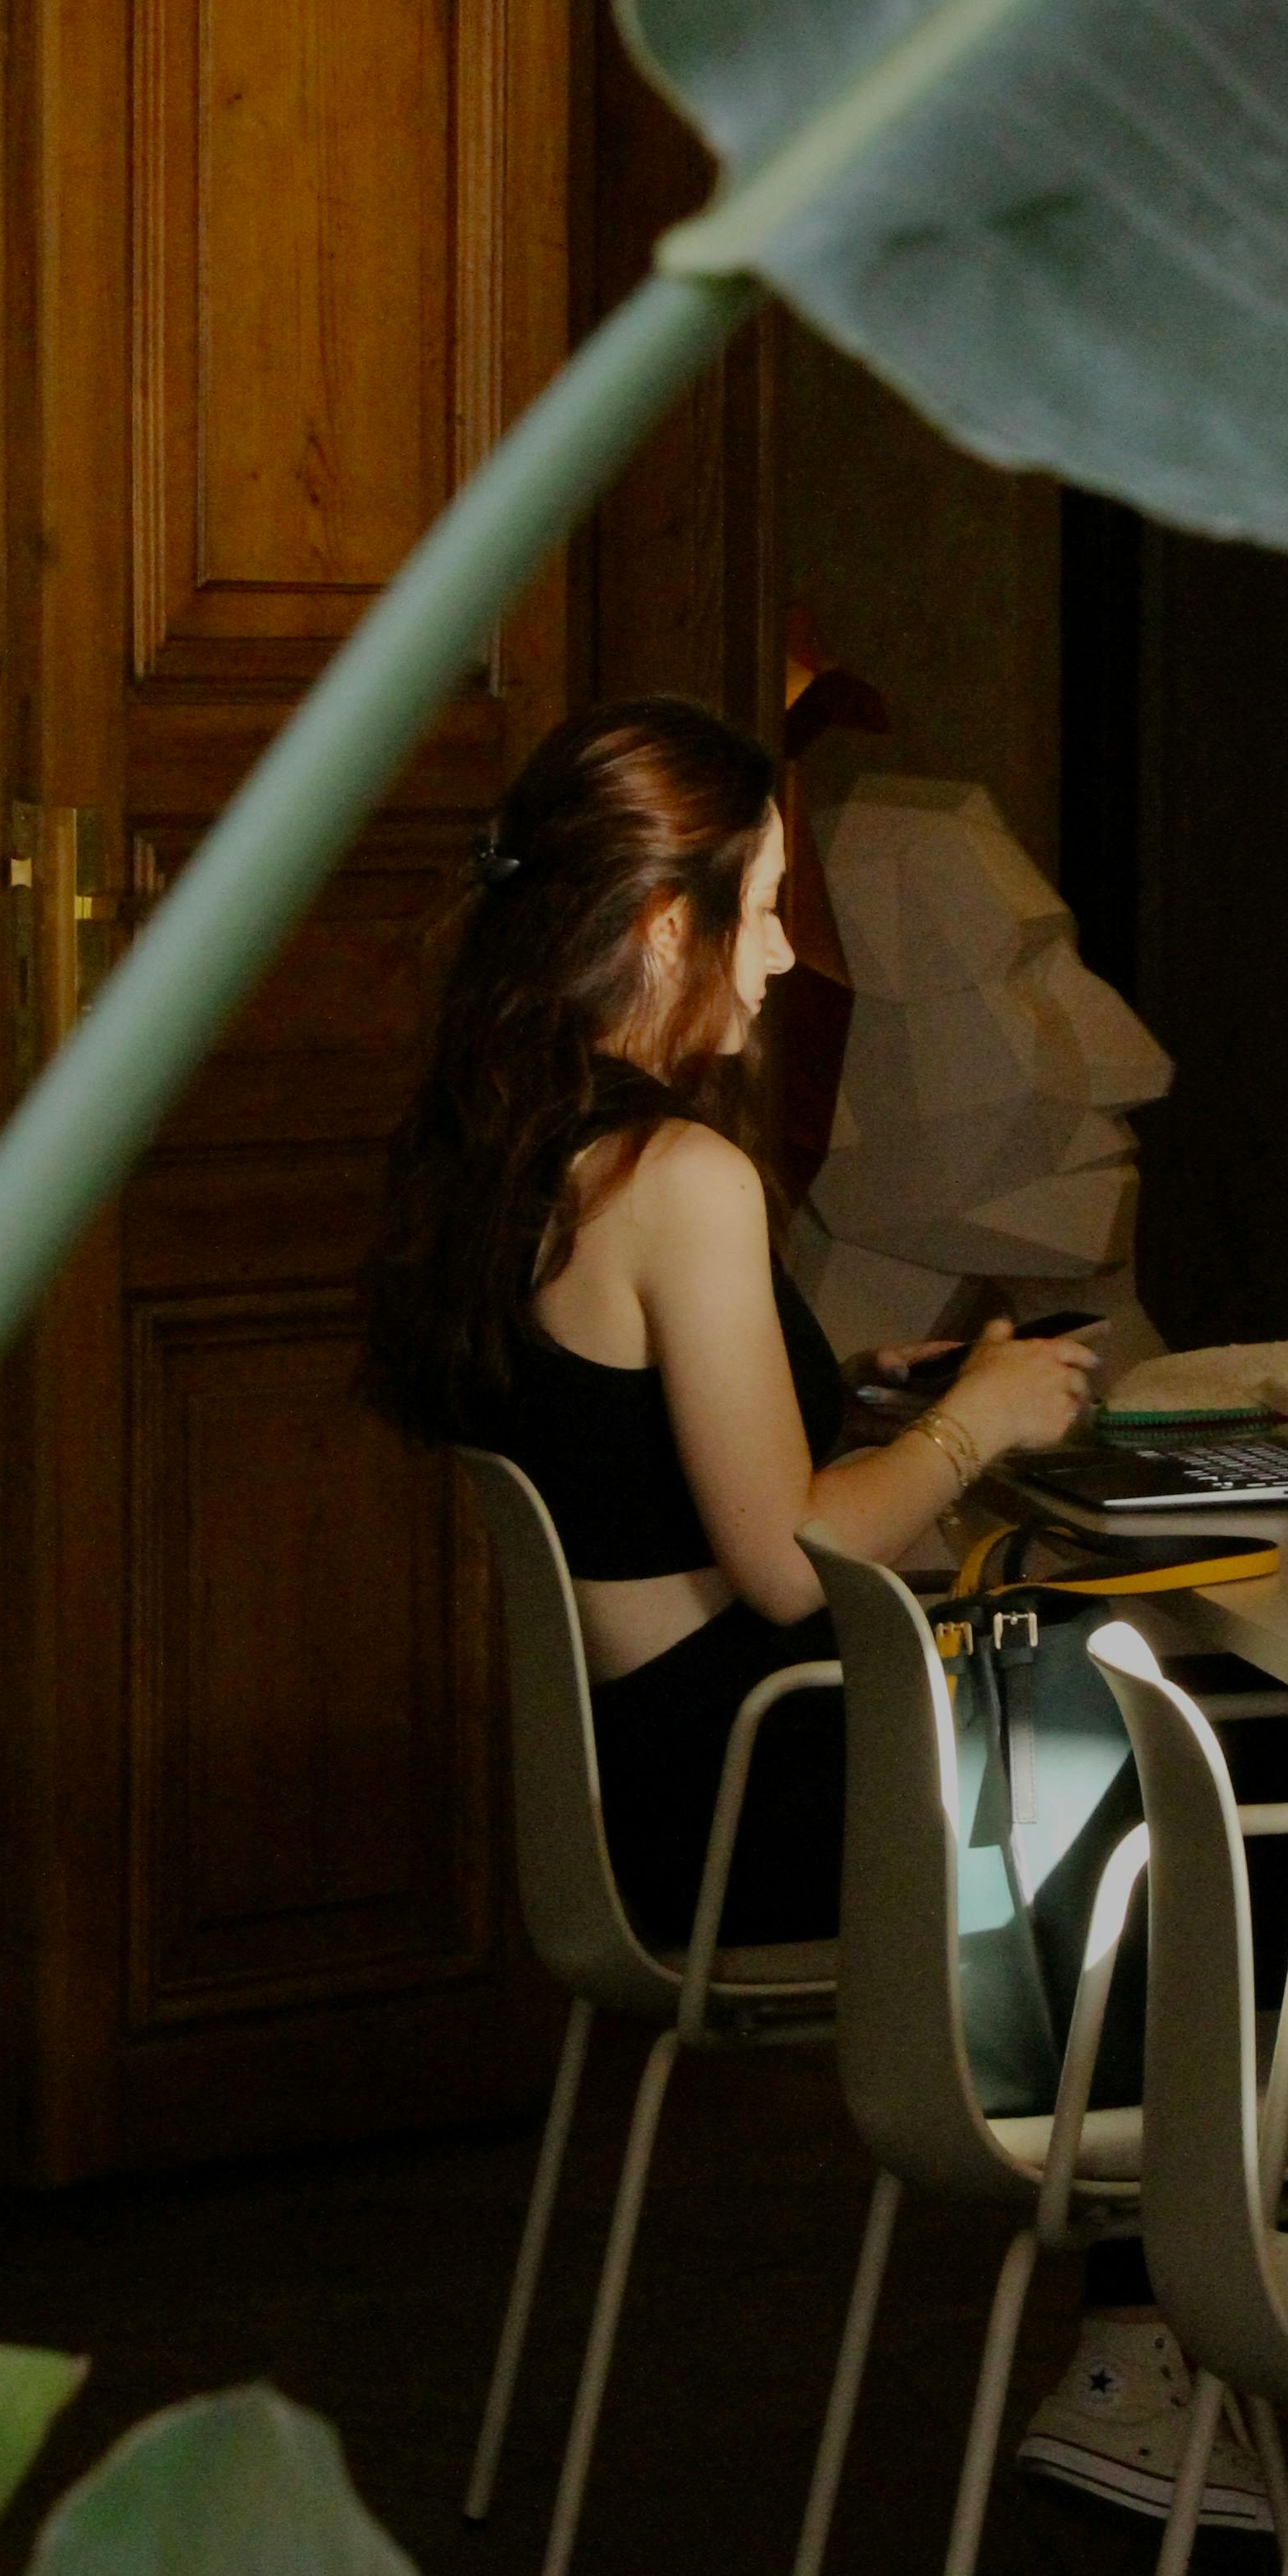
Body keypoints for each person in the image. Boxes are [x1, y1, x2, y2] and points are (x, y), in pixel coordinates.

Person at [359, 695, 1096, 1951]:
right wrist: (980, 1422)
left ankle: (1086, 2125)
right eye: (760, 908)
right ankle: (1145, 2128)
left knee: (1105, 1672)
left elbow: (614, 1436)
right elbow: (786, 1562)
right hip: (750, 1783)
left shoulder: (509, 1147)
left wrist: (850, 1394)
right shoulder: (677, 1175)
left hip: (646, 1777)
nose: (783, 955)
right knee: (1204, 1713)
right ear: (662, 930)